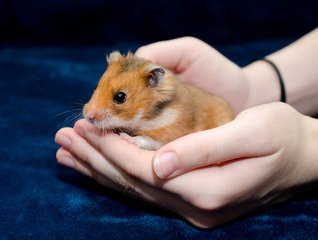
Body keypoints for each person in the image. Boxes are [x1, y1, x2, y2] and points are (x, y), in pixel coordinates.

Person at [55, 28, 318, 229]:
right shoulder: (125, 95)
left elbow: (174, 136)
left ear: (153, 81)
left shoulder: (173, 111)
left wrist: (307, 148)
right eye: (98, 92)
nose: (91, 112)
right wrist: (254, 88)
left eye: (119, 98)